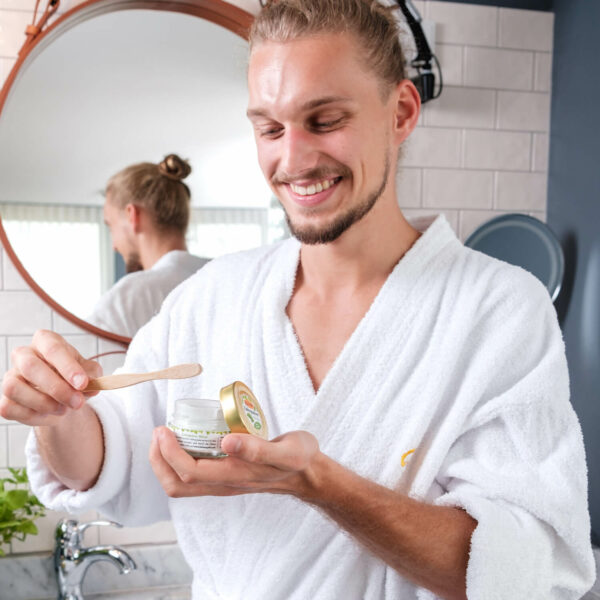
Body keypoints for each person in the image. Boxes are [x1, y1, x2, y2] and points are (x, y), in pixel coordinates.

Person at [1, 1, 595, 598]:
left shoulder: (498, 310)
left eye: (326, 119)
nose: (293, 159)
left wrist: (319, 482)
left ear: (402, 111)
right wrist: (58, 413)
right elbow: (110, 461)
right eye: (270, 128)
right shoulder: (212, 298)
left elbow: (522, 568)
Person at [87, 154, 209, 337]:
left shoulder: (126, 299)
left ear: (131, 215)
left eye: (110, 225)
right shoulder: (224, 276)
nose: (113, 246)